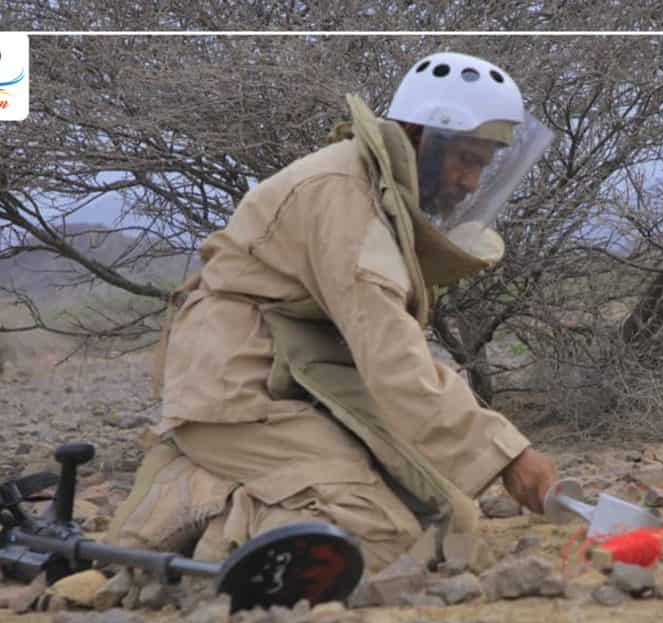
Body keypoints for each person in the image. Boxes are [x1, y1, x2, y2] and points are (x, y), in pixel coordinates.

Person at [107, 52, 558, 572]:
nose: (472, 183)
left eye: (484, 164)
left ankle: (241, 489)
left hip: (304, 384)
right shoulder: (342, 197)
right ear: (418, 136)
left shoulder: (375, 191)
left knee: (451, 517)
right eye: (467, 160)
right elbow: (395, 365)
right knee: (380, 540)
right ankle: (192, 510)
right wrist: (507, 455)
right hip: (238, 393)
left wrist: (493, 454)